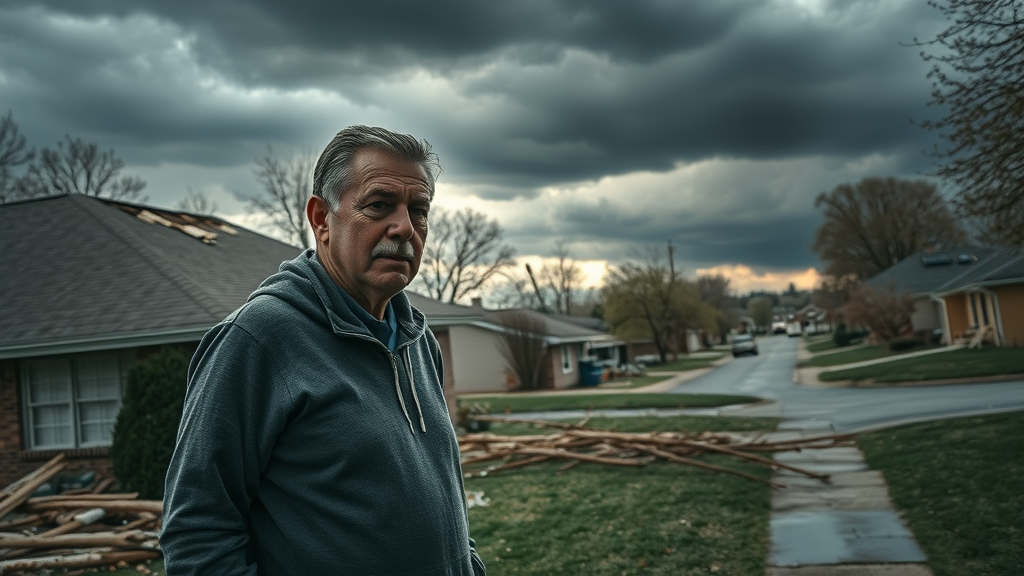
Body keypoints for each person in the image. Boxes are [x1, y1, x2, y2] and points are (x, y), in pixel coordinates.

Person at [161, 126, 486, 576]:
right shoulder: (260, 339)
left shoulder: (418, 340)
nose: (404, 227)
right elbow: (197, 532)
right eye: (379, 205)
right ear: (321, 219)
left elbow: (441, 502)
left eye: (419, 210)